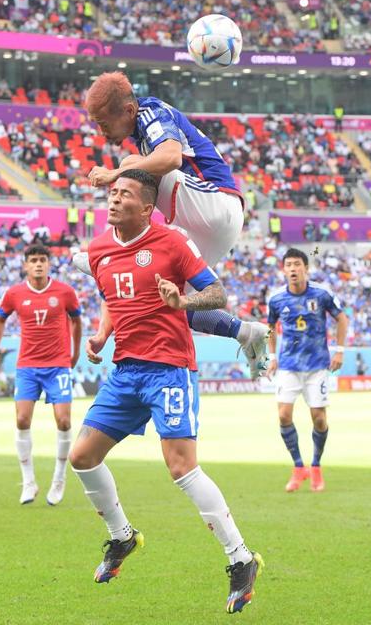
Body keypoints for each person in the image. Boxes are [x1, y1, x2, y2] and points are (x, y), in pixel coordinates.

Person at [69, 170, 264, 614]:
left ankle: (241, 558)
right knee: (81, 457)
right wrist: (101, 335)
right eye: (113, 193)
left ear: (146, 207)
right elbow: (111, 296)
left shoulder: (172, 242)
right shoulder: (99, 250)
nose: (114, 200)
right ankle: (122, 538)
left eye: (125, 195)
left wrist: (183, 302)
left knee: (181, 467)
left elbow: (215, 293)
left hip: (169, 370)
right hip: (125, 372)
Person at [73, 71, 268, 379]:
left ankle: (110, 247)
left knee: (130, 166)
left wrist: (114, 174)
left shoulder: (150, 112)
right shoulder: (141, 130)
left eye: (103, 122)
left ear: (127, 110)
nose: (100, 132)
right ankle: (245, 332)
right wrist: (102, 334)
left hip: (216, 202)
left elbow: (172, 157)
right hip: (211, 224)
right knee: (169, 299)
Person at [0, 244, 82, 505]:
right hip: (27, 365)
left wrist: (74, 354)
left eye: (42, 260)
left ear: (49, 263)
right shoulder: (15, 293)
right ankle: (28, 482)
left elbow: (77, 320)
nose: (38, 264)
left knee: (63, 422)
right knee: (22, 419)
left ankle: (59, 479)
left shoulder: (64, 292)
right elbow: (0, 318)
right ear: (25, 265)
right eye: (33, 260)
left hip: (58, 365)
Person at [266, 248, 348, 493]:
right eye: (288, 265)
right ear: (284, 270)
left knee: (319, 418)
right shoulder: (276, 298)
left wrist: (340, 349)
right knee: (283, 416)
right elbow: (270, 326)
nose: (293, 268)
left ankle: (316, 466)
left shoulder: (322, 294)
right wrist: (271, 357)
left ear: (306, 268)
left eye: (297, 264)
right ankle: (298, 466)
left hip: (317, 366)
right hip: (289, 366)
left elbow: (341, 318)